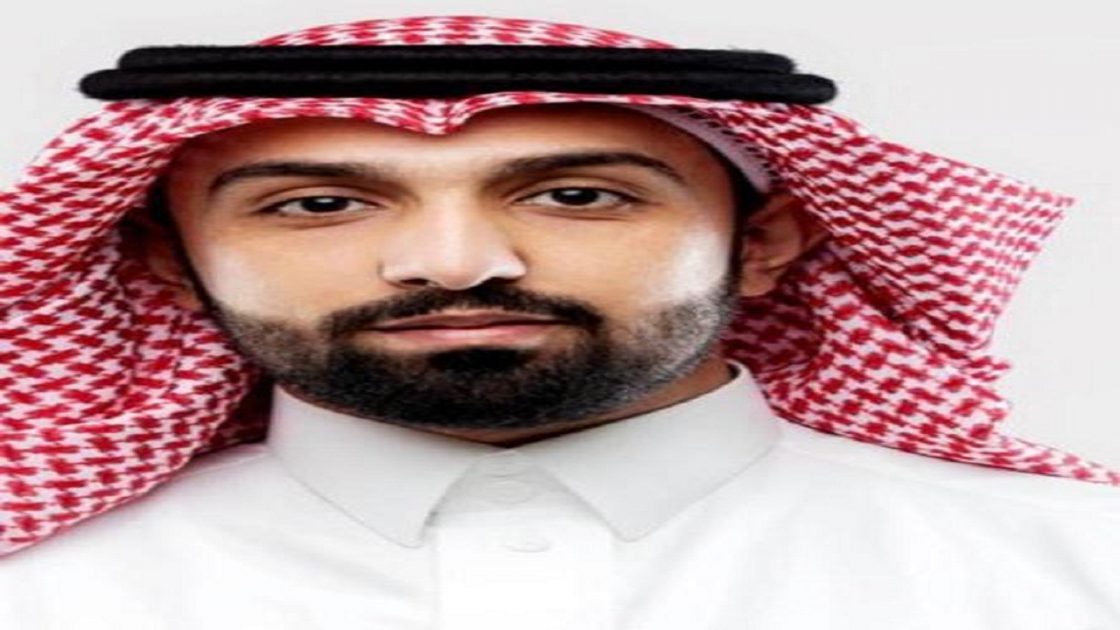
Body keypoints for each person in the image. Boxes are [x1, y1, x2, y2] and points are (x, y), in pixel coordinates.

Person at [0, 14, 1117, 629]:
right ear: (169, 262)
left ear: (765, 244)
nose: (455, 263)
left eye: (576, 195)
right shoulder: (41, 593)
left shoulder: (1078, 570)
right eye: (319, 205)